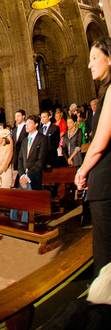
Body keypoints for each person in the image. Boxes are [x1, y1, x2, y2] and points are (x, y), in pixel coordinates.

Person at [75, 37, 111, 275]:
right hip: (105, 181)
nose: (89, 65)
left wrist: (82, 170)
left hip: (107, 184)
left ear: (110, 58)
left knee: (106, 256)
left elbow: (99, 142)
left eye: (94, 58)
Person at [12, 115, 48, 222]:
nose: (26, 125)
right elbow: (20, 159)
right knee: (16, 198)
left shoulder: (42, 139)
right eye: (26, 123)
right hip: (23, 176)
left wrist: (28, 176)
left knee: (28, 197)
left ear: (36, 124)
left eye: (29, 123)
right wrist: (22, 174)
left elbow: (40, 161)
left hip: (35, 175)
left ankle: (26, 222)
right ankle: (14, 221)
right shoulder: (24, 140)